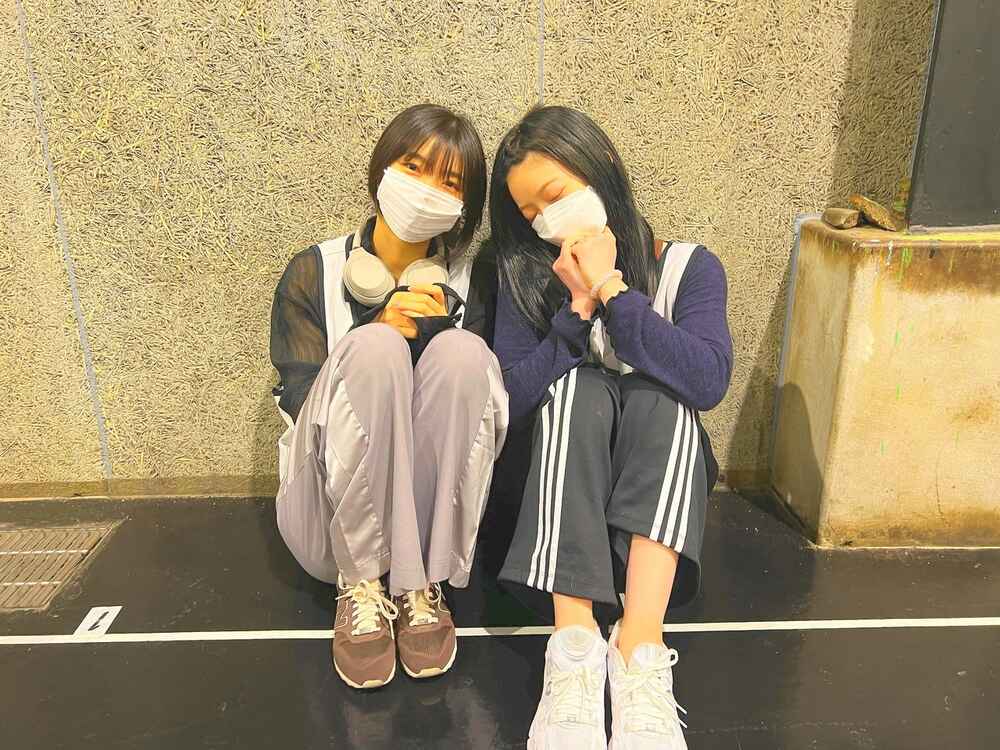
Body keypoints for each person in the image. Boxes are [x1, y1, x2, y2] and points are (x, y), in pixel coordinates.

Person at [488, 106, 733, 748]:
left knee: (665, 394)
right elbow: (510, 397)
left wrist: (613, 291)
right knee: (577, 389)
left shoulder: (689, 266)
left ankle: (639, 652)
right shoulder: (524, 277)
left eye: (555, 196)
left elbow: (708, 380)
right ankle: (572, 649)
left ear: (602, 165)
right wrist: (574, 310)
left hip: (652, 509)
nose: (546, 220)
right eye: (530, 212)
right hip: (557, 507)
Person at [269, 104, 508, 690]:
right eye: (414, 167)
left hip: (425, 532)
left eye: (450, 182)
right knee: (375, 348)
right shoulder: (312, 270)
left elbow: (475, 410)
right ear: (382, 169)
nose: (427, 190)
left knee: (464, 354)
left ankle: (420, 585)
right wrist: (375, 329)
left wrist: (432, 336)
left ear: (464, 207)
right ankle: (361, 584)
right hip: (324, 521)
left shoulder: (473, 281)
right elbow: (301, 401)